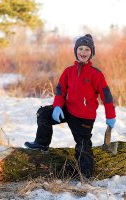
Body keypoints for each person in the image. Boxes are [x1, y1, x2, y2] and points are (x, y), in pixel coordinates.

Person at [24, 34, 116, 178]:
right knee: (43, 113)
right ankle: (42, 143)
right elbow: (60, 91)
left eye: (87, 49)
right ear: (76, 50)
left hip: (84, 118)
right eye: (80, 48)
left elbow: (107, 96)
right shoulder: (68, 71)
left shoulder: (96, 74)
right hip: (68, 110)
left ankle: (86, 175)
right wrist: (57, 107)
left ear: (91, 52)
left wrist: (111, 116)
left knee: (83, 146)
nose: (83, 52)